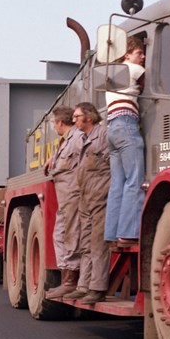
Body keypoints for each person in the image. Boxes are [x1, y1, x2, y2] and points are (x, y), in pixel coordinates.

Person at [63, 102, 111, 304]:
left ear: (89, 118)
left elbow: (115, 164)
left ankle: (97, 287)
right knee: (85, 243)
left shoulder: (104, 135)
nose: (73, 120)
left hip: (100, 195)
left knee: (98, 243)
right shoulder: (81, 139)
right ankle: (83, 286)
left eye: (76, 116)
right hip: (85, 196)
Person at [104, 35, 146, 246]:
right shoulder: (133, 68)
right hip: (127, 125)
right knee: (135, 180)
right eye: (139, 53)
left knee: (117, 184)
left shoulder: (114, 74)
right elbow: (156, 80)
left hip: (111, 128)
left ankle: (112, 234)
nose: (143, 56)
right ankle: (128, 233)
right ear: (127, 54)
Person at [43, 106, 83, 298]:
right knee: (61, 235)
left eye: (54, 123)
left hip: (73, 196)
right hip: (66, 198)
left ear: (59, 123)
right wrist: (54, 159)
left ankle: (70, 282)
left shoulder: (76, 139)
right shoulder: (67, 141)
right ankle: (68, 280)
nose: (53, 126)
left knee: (69, 236)